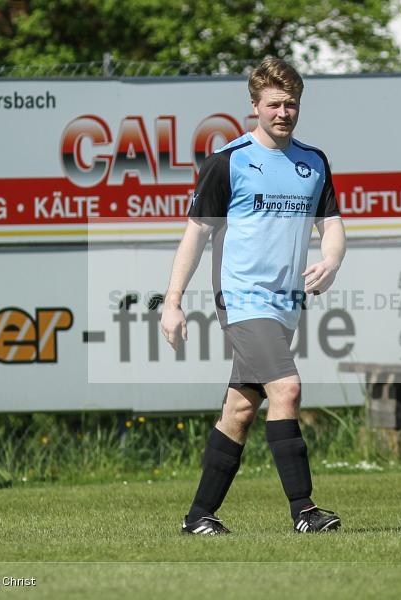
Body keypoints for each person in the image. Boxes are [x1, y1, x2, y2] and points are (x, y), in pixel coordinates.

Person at [160, 58, 345, 535]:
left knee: (240, 410)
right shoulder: (229, 161)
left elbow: (334, 225)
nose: (284, 112)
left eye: (291, 104)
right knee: (288, 387)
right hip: (242, 298)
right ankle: (304, 510)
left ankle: (199, 516)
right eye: (274, 104)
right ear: (255, 107)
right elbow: (196, 234)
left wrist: (331, 260)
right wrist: (173, 301)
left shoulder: (314, 161)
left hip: (286, 304)